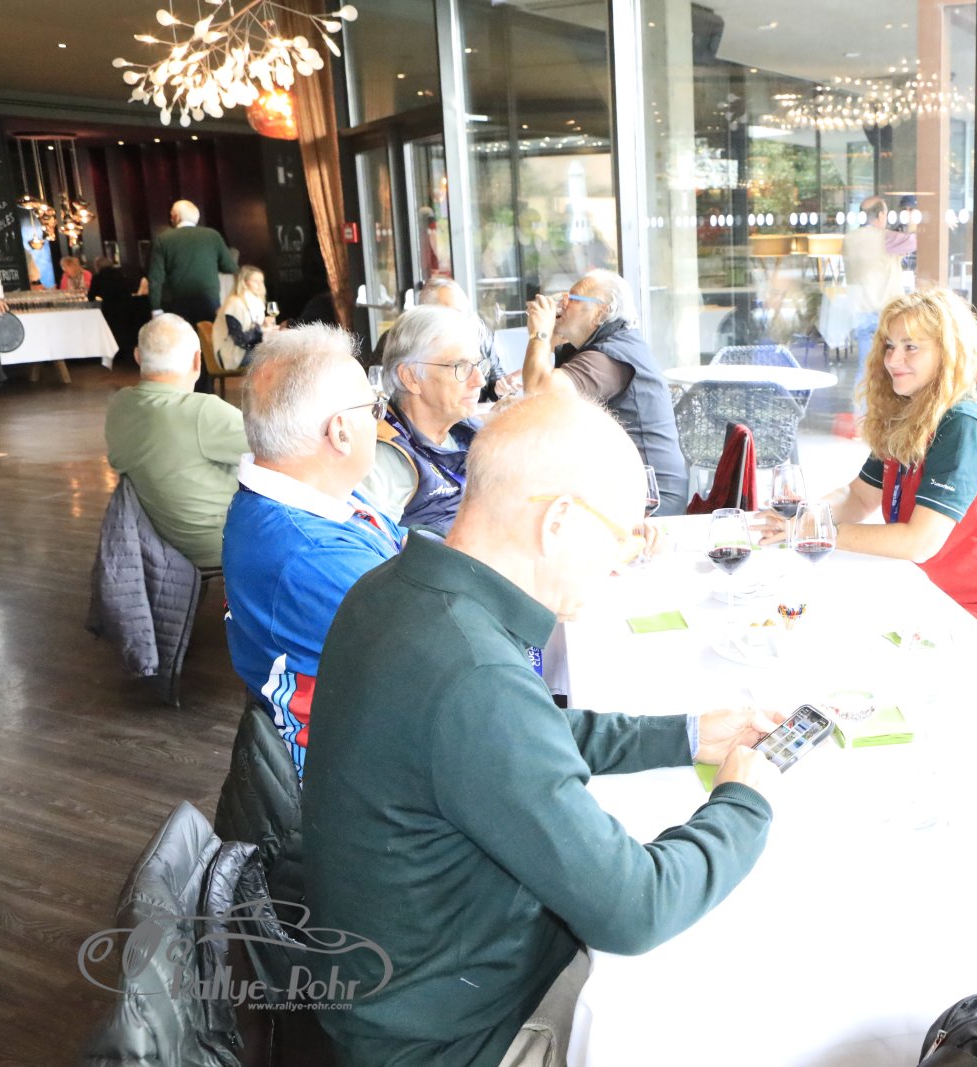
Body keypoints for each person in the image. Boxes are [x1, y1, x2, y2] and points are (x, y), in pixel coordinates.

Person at [302, 391, 779, 1065]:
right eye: (620, 534)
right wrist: (743, 802)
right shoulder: (473, 675)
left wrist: (686, 736)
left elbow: (520, 734)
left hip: (405, 982)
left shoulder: (393, 590)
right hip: (456, 1037)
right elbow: (636, 908)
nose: (621, 560)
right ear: (558, 521)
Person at [756, 287, 977, 646]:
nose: (892, 360)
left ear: (949, 353)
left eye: (911, 347)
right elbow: (858, 497)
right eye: (889, 345)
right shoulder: (910, 415)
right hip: (924, 595)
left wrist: (816, 531)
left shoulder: (964, 425)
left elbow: (919, 543)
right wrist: (805, 516)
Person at [222, 324, 404, 777]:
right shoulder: (311, 554)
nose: (382, 423)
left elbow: (403, 544)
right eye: (374, 408)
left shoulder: (311, 495)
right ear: (340, 433)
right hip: (356, 774)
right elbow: (439, 655)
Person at [518, 268, 689, 515]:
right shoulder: (607, 344)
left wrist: (540, 334)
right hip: (624, 486)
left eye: (572, 298)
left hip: (650, 498)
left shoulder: (612, 355)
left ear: (600, 312)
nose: (562, 304)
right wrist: (550, 341)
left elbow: (538, 394)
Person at [102, 315, 248, 569]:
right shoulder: (202, 412)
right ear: (197, 360)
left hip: (159, 545)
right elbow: (283, 448)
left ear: (137, 356)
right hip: (223, 544)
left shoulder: (119, 406)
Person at [359, 305, 484, 532]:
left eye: (477, 365)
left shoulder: (468, 432)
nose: (480, 380)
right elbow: (370, 545)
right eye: (460, 366)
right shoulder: (382, 460)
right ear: (410, 377)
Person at [146, 199, 239, 329]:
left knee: (183, 339)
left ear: (176, 217)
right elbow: (230, 267)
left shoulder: (163, 239)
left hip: (177, 302)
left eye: (171, 215)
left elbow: (155, 279)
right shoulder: (213, 236)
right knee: (209, 338)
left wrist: (156, 309)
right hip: (209, 300)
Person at [843, 196, 917, 354]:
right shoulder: (885, 238)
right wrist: (913, 223)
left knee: (866, 362)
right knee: (887, 363)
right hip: (884, 311)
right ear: (881, 215)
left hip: (860, 310)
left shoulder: (849, 239)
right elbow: (915, 241)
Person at [88, 255, 148, 365]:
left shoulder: (98, 277)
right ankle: (127, 354)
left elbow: (91, 296)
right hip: (126, 306)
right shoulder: (120, 274)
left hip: (110, 307)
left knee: (112, 331)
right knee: (125, 329)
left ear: (97, 266)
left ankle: (115, 353)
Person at [213, 265, 275, 370]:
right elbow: (240, 340)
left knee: (280, 352)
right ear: (244, 282)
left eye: (261, 281)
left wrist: (262, 326)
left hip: (245, 350)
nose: (260, 285)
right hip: (232, 355)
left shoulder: (253, 303)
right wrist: (260, 330)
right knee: (277, 357)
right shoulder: (235, 304)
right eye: (255, 281)